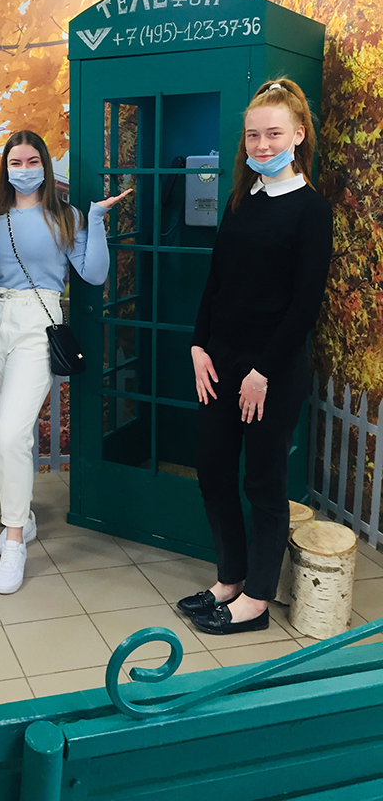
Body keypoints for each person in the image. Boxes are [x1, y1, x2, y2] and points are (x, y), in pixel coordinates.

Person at [179, 79, 333, 635]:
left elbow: (304, 305)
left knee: (263, 482)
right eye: (252, 135)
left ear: (298, 135)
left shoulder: (312, 211)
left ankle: (257, 600)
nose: (261, 145)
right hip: (219, 362)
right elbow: (216, 281)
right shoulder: (242, 201)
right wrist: (198, 345)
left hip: (273, 368)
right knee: (213, 471)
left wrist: (262, 372)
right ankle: (231, 578)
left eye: (273, 134)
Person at [0, 130, 130, 594]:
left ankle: (15, 540)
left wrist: (97, 220)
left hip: (37, 323)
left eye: (32, 161)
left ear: (44, 165)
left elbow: (94, 274)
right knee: (0, 433)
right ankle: (22, 519)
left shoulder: (67, 216)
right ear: (6, 168)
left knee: (12, 433)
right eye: (15, 162)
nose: (24, 169)